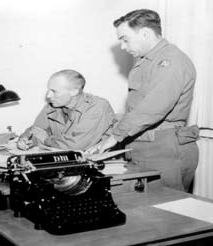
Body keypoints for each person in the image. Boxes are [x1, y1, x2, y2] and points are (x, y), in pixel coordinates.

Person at [88, 9, 199, 192]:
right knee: (145, 210)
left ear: (146, 33)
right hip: (147, 144)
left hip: (164, 148)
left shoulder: (171, 61)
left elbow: (152, 108)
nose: (123, 46)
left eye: (125, 39)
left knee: (165, 212)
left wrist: (113, 138)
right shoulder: (147, 62)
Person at [17, 69, 116, 151]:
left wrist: (46, 140)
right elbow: (37, 129)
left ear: (74, 92)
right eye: (48, 90)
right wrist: (27, 139)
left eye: (54, 91)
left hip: (99, 163)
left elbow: (76, 145)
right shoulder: (54, 104)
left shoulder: (97, 107)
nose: (48, 96)